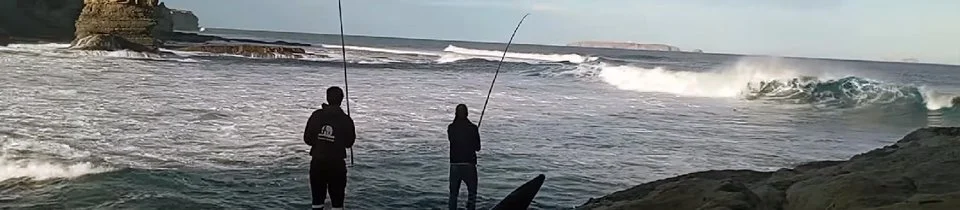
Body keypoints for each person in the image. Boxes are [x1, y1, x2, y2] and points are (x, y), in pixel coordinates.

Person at [303, 86, 356, 210]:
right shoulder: (346, 119)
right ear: (342, 100)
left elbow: (307, 140)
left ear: (327, 98)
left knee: (317, 202)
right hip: (337, 165)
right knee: (337, 203)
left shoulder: (316, 115)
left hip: (317, 163)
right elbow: (349, 143)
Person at [448, 104, 481, 210]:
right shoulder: (473, 128)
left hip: (455, 165)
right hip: (469, 164)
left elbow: (453, 140)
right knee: (472, 194)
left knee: (453, 195)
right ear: (467, 113)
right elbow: (478, 148)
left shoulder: (451, 128)